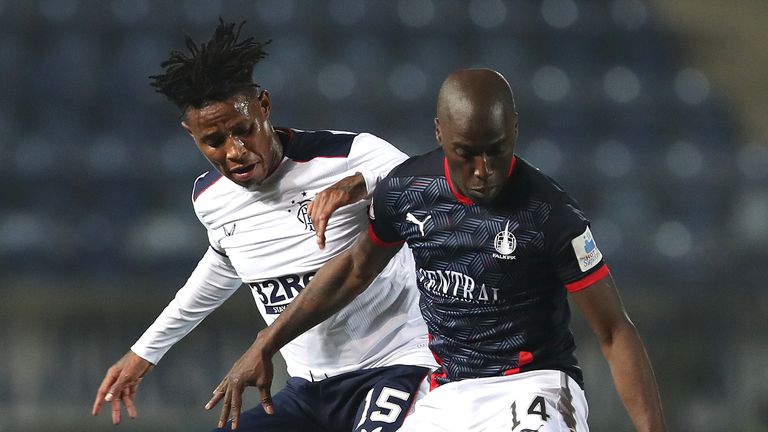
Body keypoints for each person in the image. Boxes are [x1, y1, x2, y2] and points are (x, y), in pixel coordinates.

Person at [221, 68, 668, 431]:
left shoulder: (551, 216)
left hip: (534, 385)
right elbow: (355, 270)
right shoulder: (407, 190)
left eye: (495, 151)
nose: (483, 170)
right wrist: (267, 341)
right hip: (450, 392)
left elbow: (614, 331)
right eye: (465, 153)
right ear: (439, 134)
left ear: (514, 128)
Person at [91, 20, 436, 432]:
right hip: (308, 389)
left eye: (243, 130)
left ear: (264, 107)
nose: (235, 151)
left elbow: (437, 181)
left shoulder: (350, 155)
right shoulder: (210, 198)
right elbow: (221, 269)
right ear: (192, 135)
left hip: (395, 367)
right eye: (214, 141)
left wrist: (361, 182)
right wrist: (144, 353)